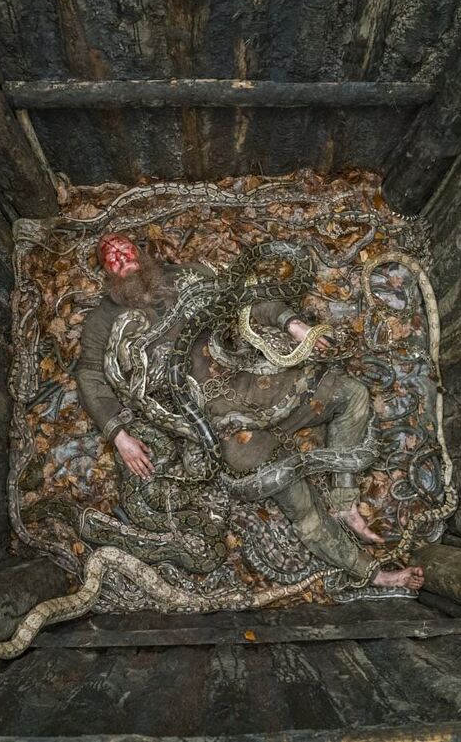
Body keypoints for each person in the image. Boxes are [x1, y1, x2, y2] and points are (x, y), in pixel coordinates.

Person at [74, 232, 424, 591]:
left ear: (139, 251)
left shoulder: (190, 275)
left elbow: (246, 299)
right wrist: (119, 435)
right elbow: (89, 374)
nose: (121, 257)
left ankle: (345, 501)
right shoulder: (104, 319)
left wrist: (293, 324)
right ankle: (372, 573)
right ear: (106, 271)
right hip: (214, 421)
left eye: (124, 249)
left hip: (256, 380)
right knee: (298, 501)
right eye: (111, 257)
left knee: (352, 394)